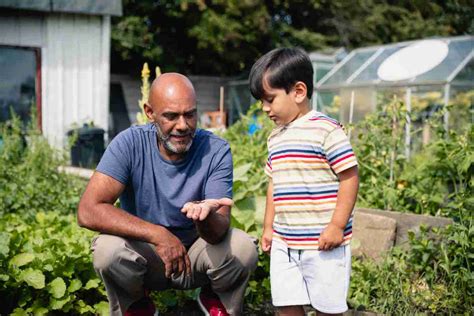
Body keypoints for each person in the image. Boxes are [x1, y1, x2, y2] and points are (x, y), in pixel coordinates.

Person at [77, 73, 258, 316]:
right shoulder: (129, 144)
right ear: (150, 112)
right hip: (148, 257)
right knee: (107, 250)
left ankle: (216, 298)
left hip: (197, 257)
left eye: (190, 114)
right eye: (171, 116)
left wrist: (204, 218)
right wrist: (158, 235)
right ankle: (135, 303)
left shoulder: (215, 150)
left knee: (243, 247)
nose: (182, 125)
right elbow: (88, 210)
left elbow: (218, 232)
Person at [249, 48, 359, 316]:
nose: (265, 108)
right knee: (286, 304)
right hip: (285, 242)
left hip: (323, 243)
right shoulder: (275, 138)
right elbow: (274, 184)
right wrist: (268, 227)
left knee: (327, 308)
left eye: (270, 99)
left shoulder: (326, 130)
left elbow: (349, 177)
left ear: (298, 92)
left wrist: (336, 226)